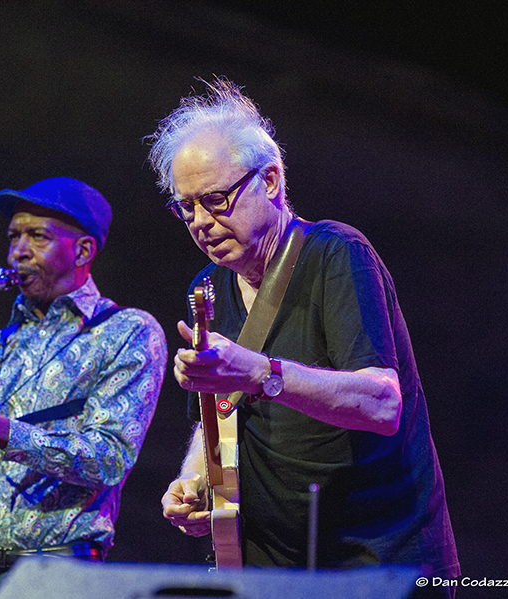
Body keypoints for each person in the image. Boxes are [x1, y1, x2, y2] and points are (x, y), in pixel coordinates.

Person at [148, 78, 459, 596]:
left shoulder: (337, 255)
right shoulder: (205, 289)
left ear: (270, 181)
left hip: (373, 559)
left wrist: (263, 374)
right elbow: (216, 417)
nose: (201, 222)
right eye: (186, 207)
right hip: (270, 566)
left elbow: (382, 404)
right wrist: (196, 480)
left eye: (217, 199)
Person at [0, 177, 167, 599]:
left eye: (37, 236)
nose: (18, 251)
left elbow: (110, 457)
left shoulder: (126, 332)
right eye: (13, 236)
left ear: (82, 251)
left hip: (57, 573)